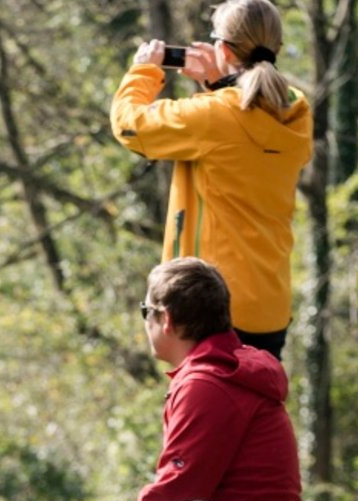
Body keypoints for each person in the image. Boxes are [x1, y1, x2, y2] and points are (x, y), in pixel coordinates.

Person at [49, 258, 300, 501]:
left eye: (145, 311)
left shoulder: (208, 385)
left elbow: (173, 495)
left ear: (165, 318)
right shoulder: (228, 373)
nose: (145, 321)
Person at [112, 0, 312, 360]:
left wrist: (143, 71)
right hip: (270, 307)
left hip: (211, 307)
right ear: (277, 48)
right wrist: (219, 84)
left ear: (221, 48)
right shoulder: (297, 112)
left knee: (205, 414)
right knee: (256, 413)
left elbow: (130, 125)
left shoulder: (215, 116)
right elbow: (243, 134)